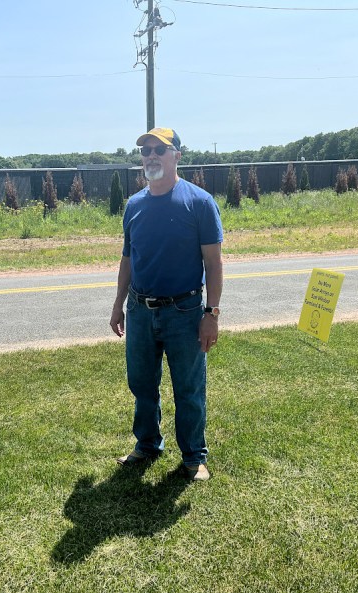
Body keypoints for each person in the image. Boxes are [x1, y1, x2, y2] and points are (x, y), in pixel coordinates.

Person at [110, 127, 223, 482]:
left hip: (185, 312)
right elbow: (128, 258)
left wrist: (211, 314)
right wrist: (118, 304)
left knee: (188, 387)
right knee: (141, 383)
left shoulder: (199, 203)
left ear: (177, 155)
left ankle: (193, 456)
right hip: (140, 311)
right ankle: (147, 444)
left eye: (160, 149)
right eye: (146, 151)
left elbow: (213, 263)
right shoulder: (134, 205)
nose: (151, 156)